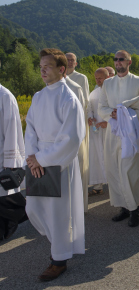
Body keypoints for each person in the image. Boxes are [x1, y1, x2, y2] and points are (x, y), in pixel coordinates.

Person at [25, 48, 85, 281]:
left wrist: (43, 158)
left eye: (47, 66)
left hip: (57, 162)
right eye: (40, 66)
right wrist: (32, 156)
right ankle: (60, 243)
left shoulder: (68, 98)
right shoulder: (39, 96)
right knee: (33, 209)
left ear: (61, 69)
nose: (42, 70)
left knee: (58, 212)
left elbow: (71, 138)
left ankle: (58, 260)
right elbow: (29, 127)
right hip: (37, 161)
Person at [98, 50, 139, 227]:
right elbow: (101, 107)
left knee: (129, 170)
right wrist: (112, 113)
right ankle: (123, 206)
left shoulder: (138, 81)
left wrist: (129, 117)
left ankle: (134, 208)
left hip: (131, 133)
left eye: (121, 60)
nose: (118, 62)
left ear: (129, 62)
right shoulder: (107, 83)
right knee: (114, 169)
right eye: (115, 59)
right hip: (113, 133)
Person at [0, 84, 27, 241]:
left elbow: (13, 129)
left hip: (2, 155)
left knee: (5, 197)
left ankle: (18, 215)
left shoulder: (5, 96)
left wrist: (12, 161)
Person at [66, 52, 90, 211]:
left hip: (77, 127)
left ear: (76, 63)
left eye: (71, 60)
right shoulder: (55, 78)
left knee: (79, 163)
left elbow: (86, 102)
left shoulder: (81, 79)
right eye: (66, 60)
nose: (69, 62)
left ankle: (80, 205)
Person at [87, 68, 109, 195]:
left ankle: (114, 184)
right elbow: (89, 107)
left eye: (100, 77)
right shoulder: (94, 93)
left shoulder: (113, 92)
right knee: (96, 156)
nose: (98, 80)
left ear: (107, 77)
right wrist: (90, 117)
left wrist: (109, 123)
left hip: (110, 130)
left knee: (110, 157)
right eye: (96, 78)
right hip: (96, 130)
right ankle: (98, 184)